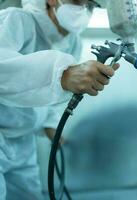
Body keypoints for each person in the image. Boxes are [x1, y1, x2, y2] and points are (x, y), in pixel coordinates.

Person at [0, 0, 120, 199]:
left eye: (90, 5)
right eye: (76, 1)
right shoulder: (17, 20)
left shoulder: (73, 42)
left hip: (23, 140)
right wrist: (63, 74)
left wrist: (49, 122)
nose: (83, 9)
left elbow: (51, 93)